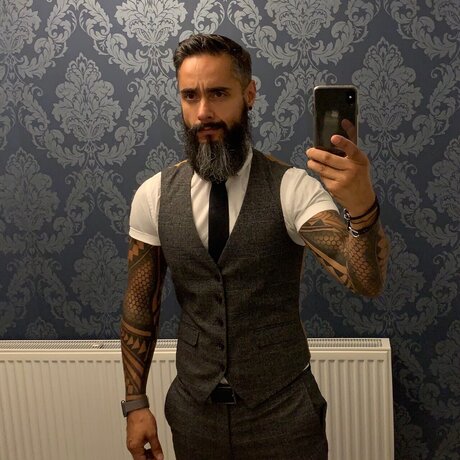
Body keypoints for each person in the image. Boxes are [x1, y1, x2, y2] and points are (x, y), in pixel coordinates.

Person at [120, 34, 389, 460]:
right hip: (194, 415)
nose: (203, 112)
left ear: (249, 95)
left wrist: (361, 207)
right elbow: (140, 305)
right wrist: (135, 404)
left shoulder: (292, 188)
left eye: (218, 93)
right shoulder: (152, 195)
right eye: (190, 96)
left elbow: (365, 280)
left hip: (283, 416)